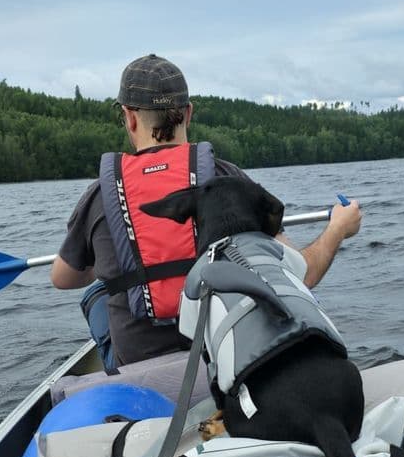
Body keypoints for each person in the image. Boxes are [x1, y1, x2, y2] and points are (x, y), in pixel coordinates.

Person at [51, 54, 362, 372]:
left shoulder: (99, 196)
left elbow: (61, 278)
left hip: (141, 376)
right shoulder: (228, 180)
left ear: (129, 117)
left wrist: (111, 264)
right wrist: (338, 228)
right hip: (224, 364)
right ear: (188, 113)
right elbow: (302, 274)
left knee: (98, 294)